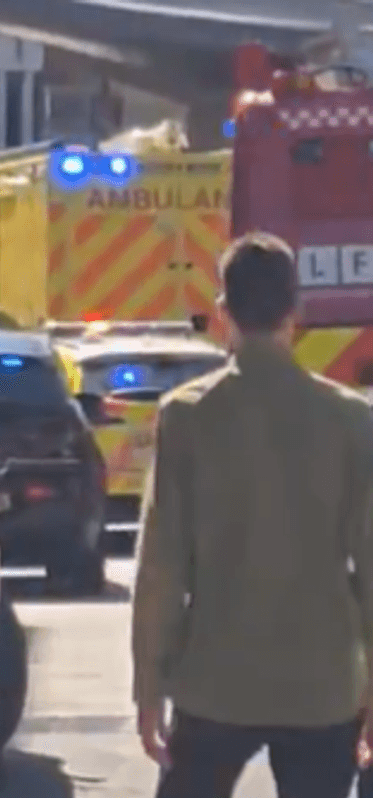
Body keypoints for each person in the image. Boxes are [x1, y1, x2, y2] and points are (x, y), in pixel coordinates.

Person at [131, 231, 373, 797]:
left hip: (215, 680)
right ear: (297, 312)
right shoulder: (352, 421)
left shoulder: (188, 416)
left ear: (222, 313)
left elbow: (162, 565)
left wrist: (149, 685)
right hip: (322, 685)